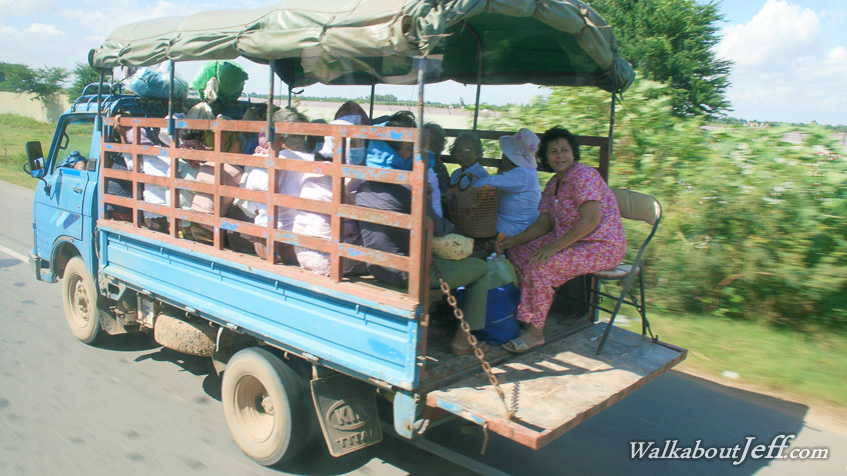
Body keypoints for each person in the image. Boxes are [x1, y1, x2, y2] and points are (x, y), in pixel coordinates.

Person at [499, 126, 625, 353]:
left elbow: (590, 221)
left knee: (542, 266)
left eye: (564, 150)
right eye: (553, 151)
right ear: (545, 157)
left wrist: (552, 249)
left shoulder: (584, 176)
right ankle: (527, 311)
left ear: (574, 153)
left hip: (600, 245)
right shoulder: (553, 184)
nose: (560, 156)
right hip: (571, 241)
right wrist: (514, 241)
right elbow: (543, 225)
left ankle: (534, 333)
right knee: (520, 254)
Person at [474, 128, 542, 237]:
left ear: (508, 157)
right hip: (517, 227)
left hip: (515, 231)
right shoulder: (526, 173)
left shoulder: (522, 174)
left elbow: (484, 183)